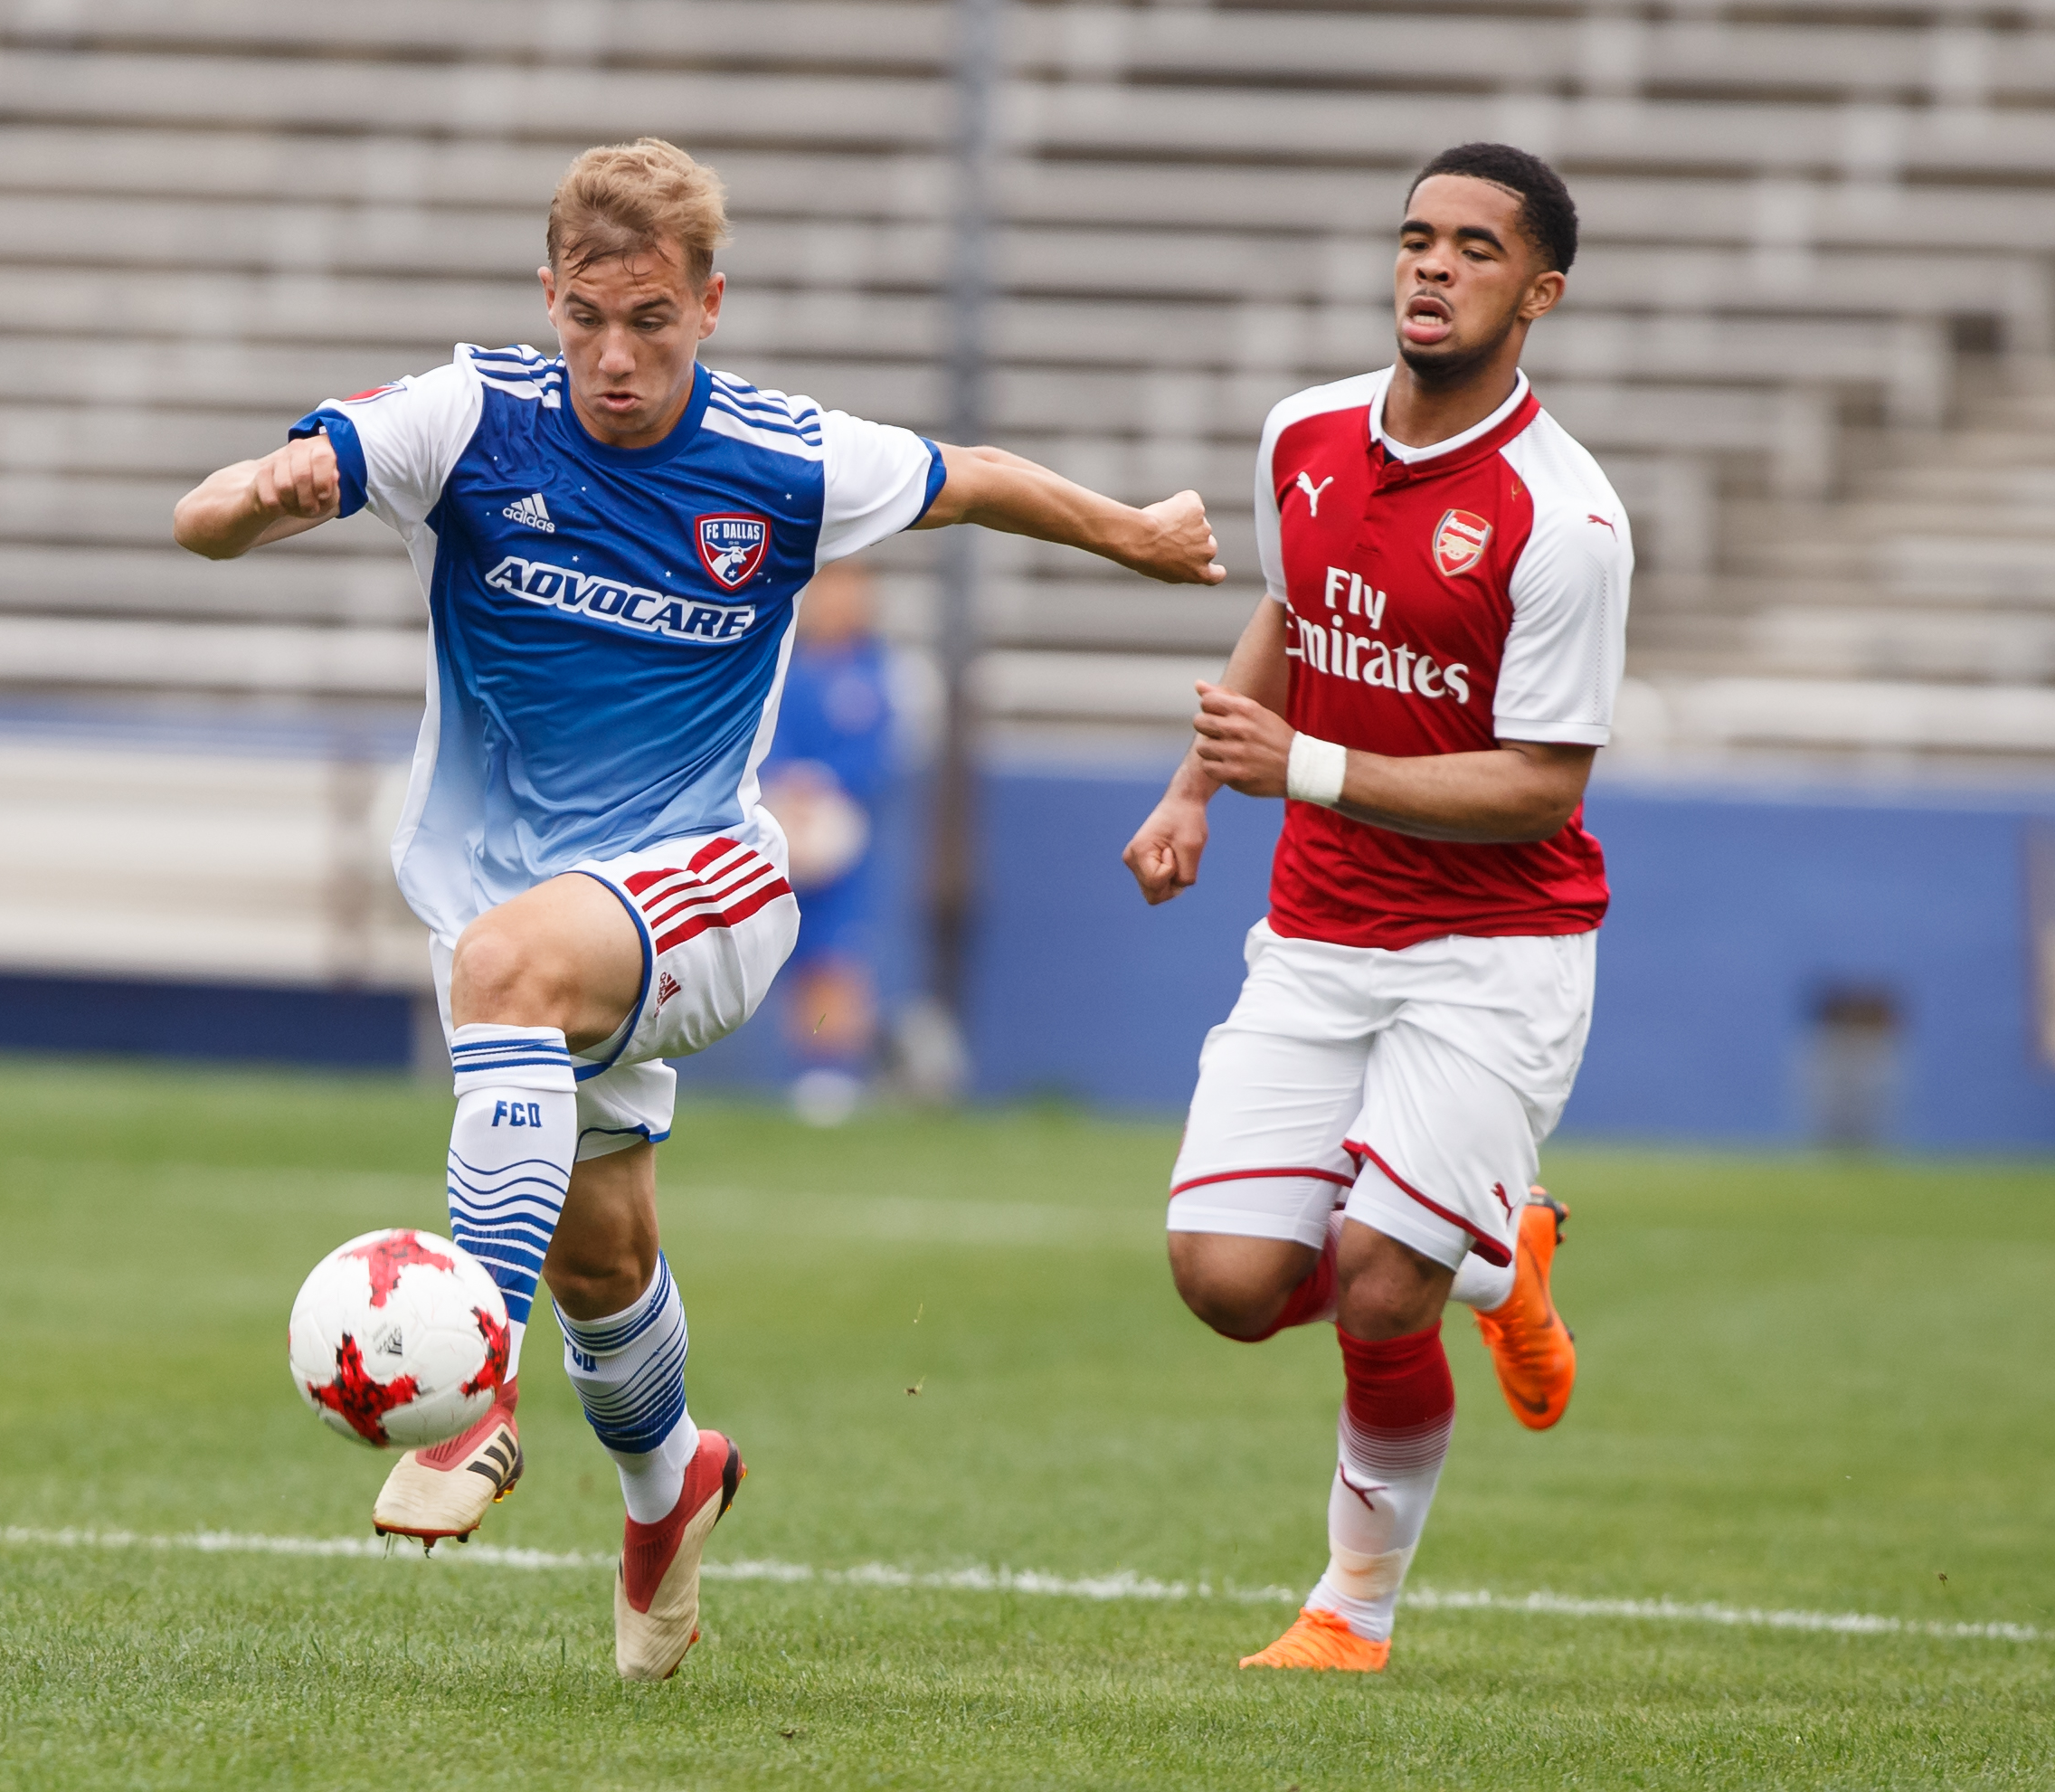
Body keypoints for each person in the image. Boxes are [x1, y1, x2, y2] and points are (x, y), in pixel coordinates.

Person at [176, 137, 1222, 1681]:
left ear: (710, 305)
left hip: (712, 886)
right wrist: (260, 496)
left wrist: (1136, 533)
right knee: (604, 1259)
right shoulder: (467, 418)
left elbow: (971, 480)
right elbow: (207, 514)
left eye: (650, 321)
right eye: (586, 316)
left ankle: (477, 1405)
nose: (613, 356)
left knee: (503, 966)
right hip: (538, 912)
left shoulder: (781, 460)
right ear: (548, 294)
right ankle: (672, 1491)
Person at [1122, 142, 1623, 1673]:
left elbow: (1540, 785)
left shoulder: (1563, 519)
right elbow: (1294, 601)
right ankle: (1499, 1247)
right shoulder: (1305, 432)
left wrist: (1306, 766)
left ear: (1535, 294)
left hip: (1494, 956)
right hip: (1319, 936)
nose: (1430, 265)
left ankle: (1353, 1607)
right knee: (1222, 1280)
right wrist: (1195, 787)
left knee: (1373, 1284)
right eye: (1415, 237)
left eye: (1473, 248)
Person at [762, 557, 898, 1125]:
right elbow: (767, 739)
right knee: (791, 946)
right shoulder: (784, 666)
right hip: (781, 827)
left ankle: (835, 1072)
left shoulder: (876, 674)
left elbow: (874, 756)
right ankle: (814, 1067)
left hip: (841, 837)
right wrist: (783, 785)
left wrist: (825, 788)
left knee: (837, 953)